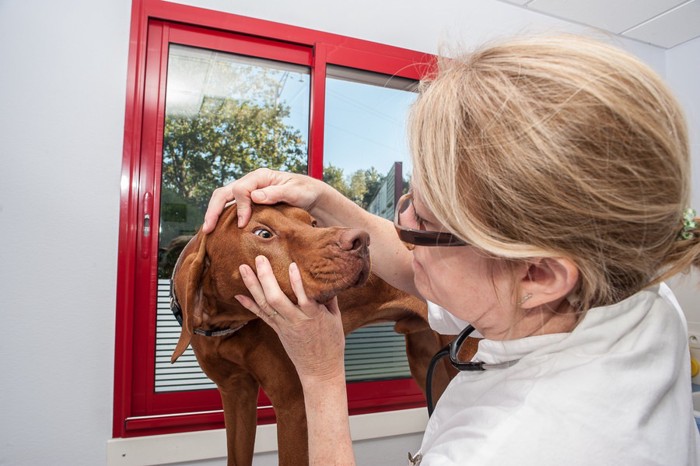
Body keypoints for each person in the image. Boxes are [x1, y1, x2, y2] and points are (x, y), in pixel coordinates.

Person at [202, 34, 700, 465]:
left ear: (538, 277)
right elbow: (421, 268)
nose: (397, 229)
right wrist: (320, 196)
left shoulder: (515, 448)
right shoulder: (631, 287)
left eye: (423, 222)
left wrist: (322, 376)